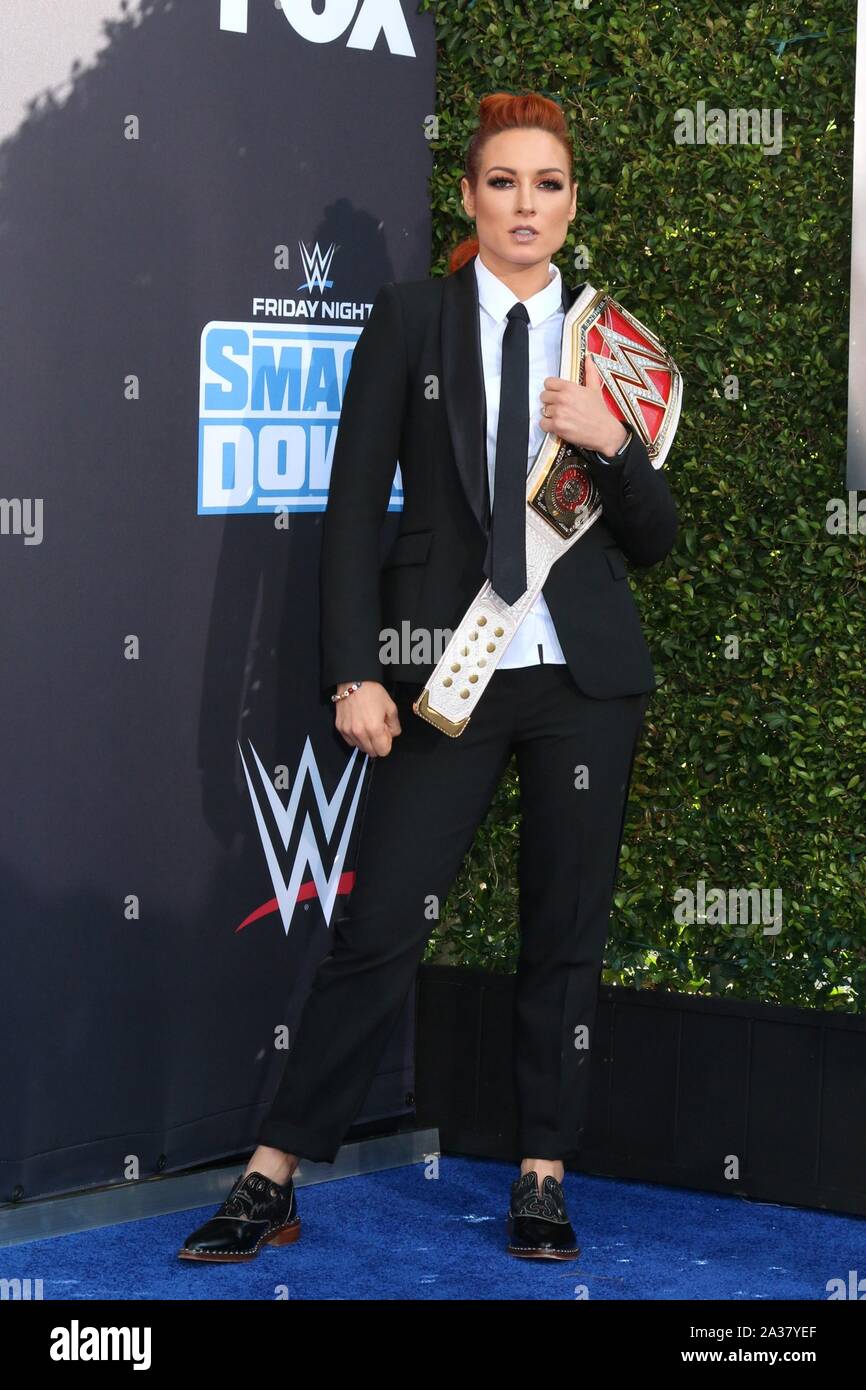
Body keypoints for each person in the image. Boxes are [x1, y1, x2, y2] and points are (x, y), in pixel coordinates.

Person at [179, 90, 678, 1265]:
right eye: (502, 181)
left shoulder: (612, 349)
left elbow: (654, 542)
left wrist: (607, 443)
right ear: (468, 197)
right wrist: (353, 672)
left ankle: (543, 1176)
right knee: (379, 924)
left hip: (583, 682)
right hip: (446, 676)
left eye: (546, 184)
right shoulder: (409, 320)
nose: (525, 204)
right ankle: (273, 1171)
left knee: (562, 936)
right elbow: (350, 516)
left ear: (569, 203)